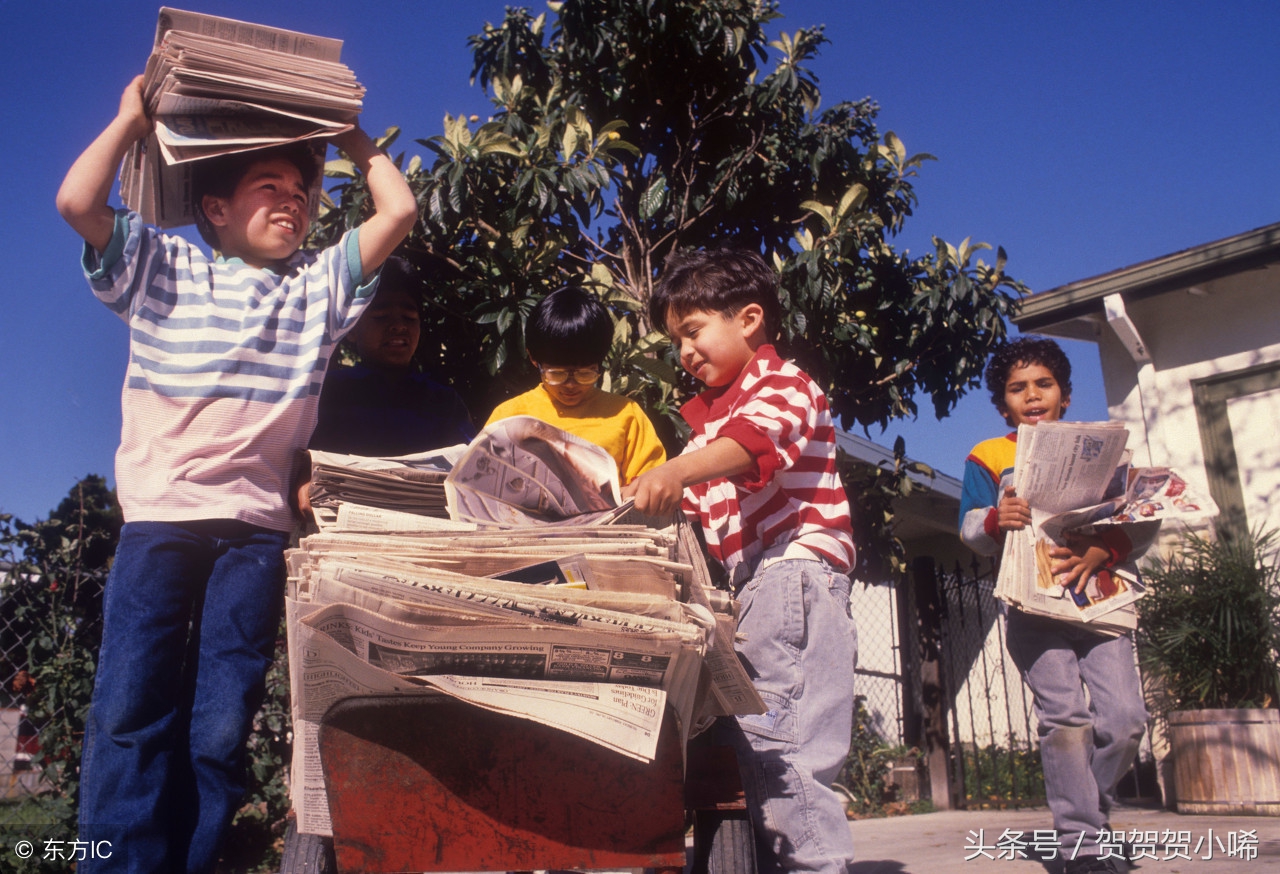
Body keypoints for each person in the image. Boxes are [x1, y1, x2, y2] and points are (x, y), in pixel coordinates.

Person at [56, 75, 417, 873]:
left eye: (301, 190)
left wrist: (353, 137)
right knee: (130, 709)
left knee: (222, 723)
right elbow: (78, 204)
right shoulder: (165, 268)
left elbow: (398, 212)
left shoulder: (319, 290)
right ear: (215, 208)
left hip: (254, 535)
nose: (293, 201)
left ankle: (194, 860)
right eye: (269, 187)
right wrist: (127, 119)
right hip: (161, 524)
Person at [623, 249, 858, 874]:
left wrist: (671, 470)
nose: (684, 352)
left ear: (749, 319)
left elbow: (756, 442)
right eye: (675, 340)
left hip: (797, 575)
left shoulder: (785, 384)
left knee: (787, 755)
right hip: (755, 592)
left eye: (693, 330)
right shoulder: (707, 427)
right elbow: (691, 507)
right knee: (752, 754)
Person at [958, 337, 1148, 874]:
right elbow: (970, 524)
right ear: (1003, 405)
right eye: (1018, 389)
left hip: (1101, 603)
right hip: (1032, 607)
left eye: (1044, 384)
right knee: (1064, 719)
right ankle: (1081, 846)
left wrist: (1105, 547)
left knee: (1126, 720)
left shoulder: (1104, 448)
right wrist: (997, 519)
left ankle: (1092, 811)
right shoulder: (989, 456)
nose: (1032, 395)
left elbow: (1139, 516)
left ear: (1064, 395)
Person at [486, 285, 666, 485]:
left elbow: (651, 482)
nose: (571, 385)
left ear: (600, 362)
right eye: (557, 374)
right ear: (534, 359)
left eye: (585, 373)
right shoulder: (509, 415)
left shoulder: (625, 414)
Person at [308, 256, 476, 457]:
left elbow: (469, 468)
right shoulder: (327, 395)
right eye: (381, 316)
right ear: (351, 329)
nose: (399, 326)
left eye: (409, 317)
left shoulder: (444, 403)